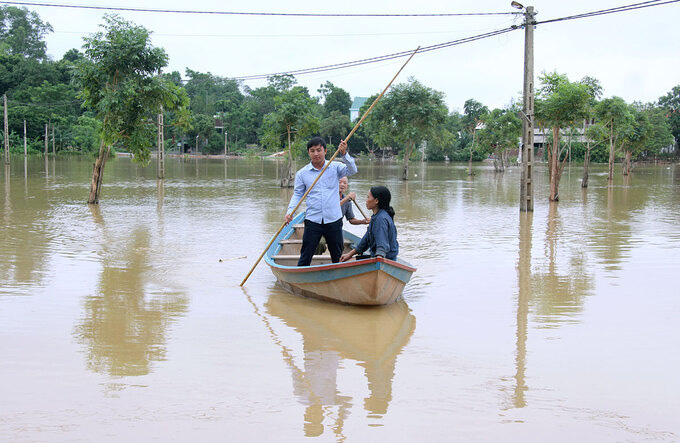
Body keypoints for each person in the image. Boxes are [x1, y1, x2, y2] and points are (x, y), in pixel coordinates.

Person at [284, 136, 357, 266]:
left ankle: (338, 279)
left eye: (319, 150)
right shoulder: (303, 173)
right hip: (313, 220)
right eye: (312, 151)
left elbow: (352, 170)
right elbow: (297, 195)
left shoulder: (335, 167)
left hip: (333, 219)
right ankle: (302, 278)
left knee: (337, 255)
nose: (316, 153)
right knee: (306, 254)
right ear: (308, 153)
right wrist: (290, 212)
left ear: (325, 151)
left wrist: (344, 154)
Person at [340, 186, 399, 262]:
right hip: (377, 256)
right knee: (347, 260)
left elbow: (382, 243)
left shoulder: (381, 219)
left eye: (368, 197)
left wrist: (379, 257)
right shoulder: (376, 216)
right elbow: (366, 239)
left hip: (386, 259)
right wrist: (350, 254)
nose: (366, 200)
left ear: (376, 200)